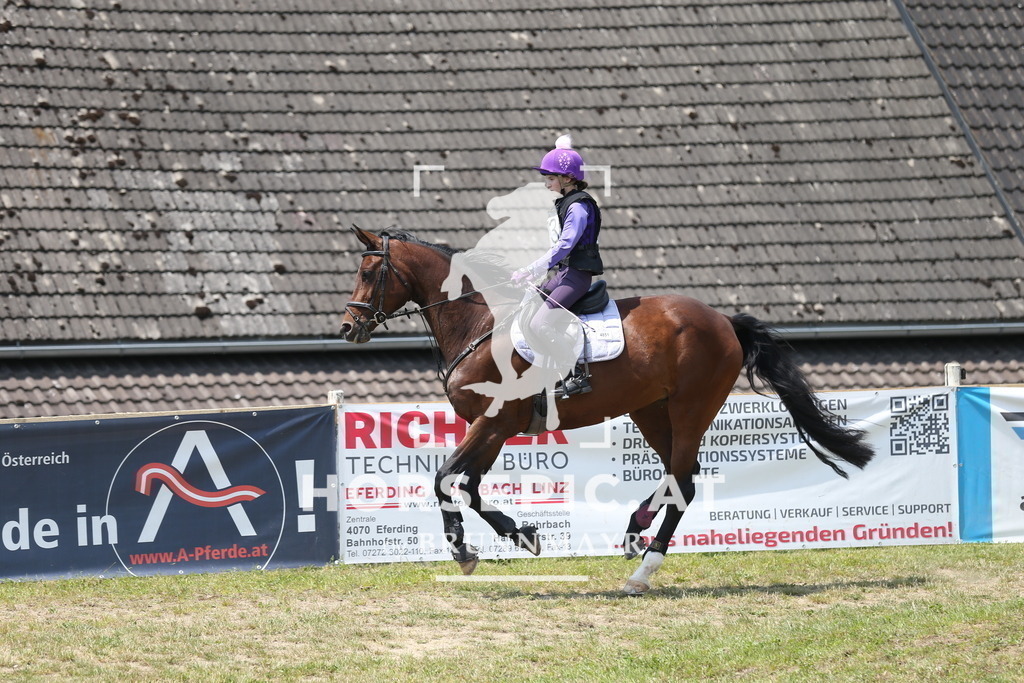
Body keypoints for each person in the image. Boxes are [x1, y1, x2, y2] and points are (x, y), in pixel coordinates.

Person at [512, 134, 604, 397]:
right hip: (564, 273)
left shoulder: (579, 208)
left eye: (551, 179)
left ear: (568, 178)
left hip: (575, 277)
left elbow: (565, 245)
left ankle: (577, 374)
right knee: (527, 306)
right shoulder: (565, 203)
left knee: (541, 324)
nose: (547, 184)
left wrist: (532, 269)